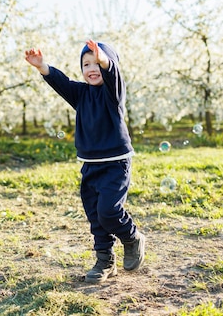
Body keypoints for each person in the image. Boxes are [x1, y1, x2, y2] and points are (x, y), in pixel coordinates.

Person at [24, 39, 145, 283]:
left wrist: (104, 60)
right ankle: (105, 261)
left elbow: (112, 73)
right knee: (95, 216)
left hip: (115, 164)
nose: (92, 68)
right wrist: (42, 66)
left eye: (96, 63)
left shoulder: (113, 93)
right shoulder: (80, 94)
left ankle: (132, 238)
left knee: (109, 211)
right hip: (90, 164)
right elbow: (62, 83)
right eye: (86, 64)